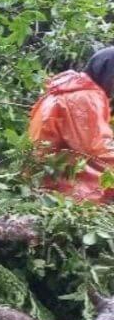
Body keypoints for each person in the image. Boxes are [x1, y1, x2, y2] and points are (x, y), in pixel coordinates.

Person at [29, 47, 114, 203]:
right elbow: (96, 149)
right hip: (63, 188)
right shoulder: (84, 97)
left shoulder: (73, 89)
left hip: (46, 176)